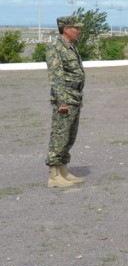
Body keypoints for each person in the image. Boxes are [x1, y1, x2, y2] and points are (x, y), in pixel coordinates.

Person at [46, 15, 86, 188]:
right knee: (59, 136)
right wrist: (62, 101)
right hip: (65, 99)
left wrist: (78, 96)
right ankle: (54, 176)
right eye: (76, 28)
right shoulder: (55, 47)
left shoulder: (71, 46)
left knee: (69, 137)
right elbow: (56, 76)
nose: (78, 30)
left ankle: (63, 171)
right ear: (66, 29)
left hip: (74, 97)